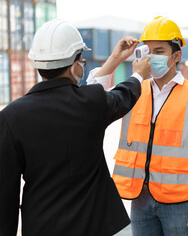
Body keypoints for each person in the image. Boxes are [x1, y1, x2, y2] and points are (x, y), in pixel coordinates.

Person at [0, 19, 151, 236]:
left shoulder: (10, 117)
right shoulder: (90, 103)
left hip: (41, 227)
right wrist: (138, 75)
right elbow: (122, 96)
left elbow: (5, 193)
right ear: (74, 65)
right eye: (81, 60)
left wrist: (115, 59)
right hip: (93, 226)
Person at [87, 16, 188, 236]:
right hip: (140, 197)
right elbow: (93, 96)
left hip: (180, 201)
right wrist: (115, 58)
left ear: (176, 56)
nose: (151, 57)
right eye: (147, 51)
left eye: (159, 51)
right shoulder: (134, 89)